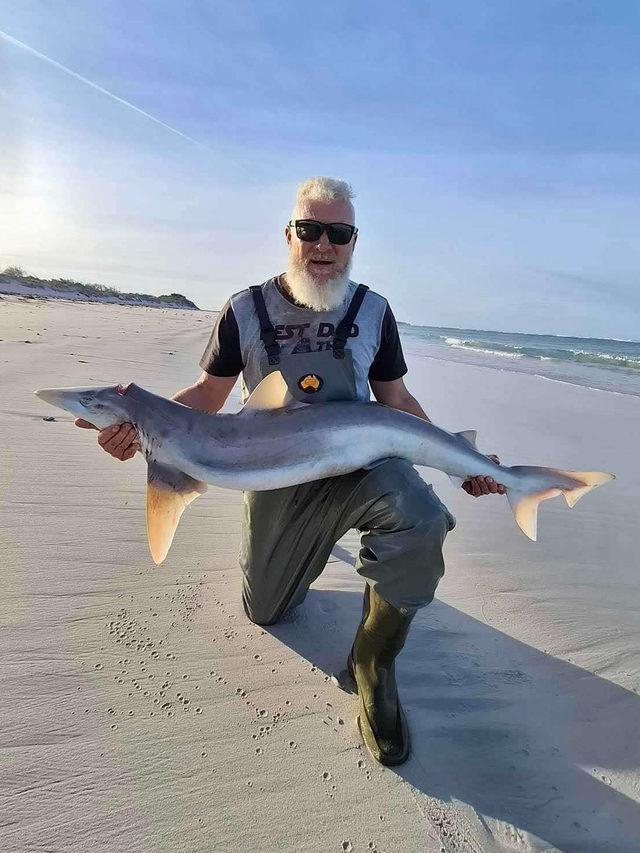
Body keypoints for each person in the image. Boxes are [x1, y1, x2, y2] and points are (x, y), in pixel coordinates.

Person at [76, 177, 505, 766]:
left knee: (422, 516)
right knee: (266, 610)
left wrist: (463, 463)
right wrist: (141, 425)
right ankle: (311, 551)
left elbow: (397, 402)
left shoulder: (373, 311)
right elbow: (205, 395)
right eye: (310, 230)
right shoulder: (245, 309)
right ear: (289, 235)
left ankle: (372, 664)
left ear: (353, 241)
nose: (323, 244)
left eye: (338, 232)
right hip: (275, 475)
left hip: (361, 471)